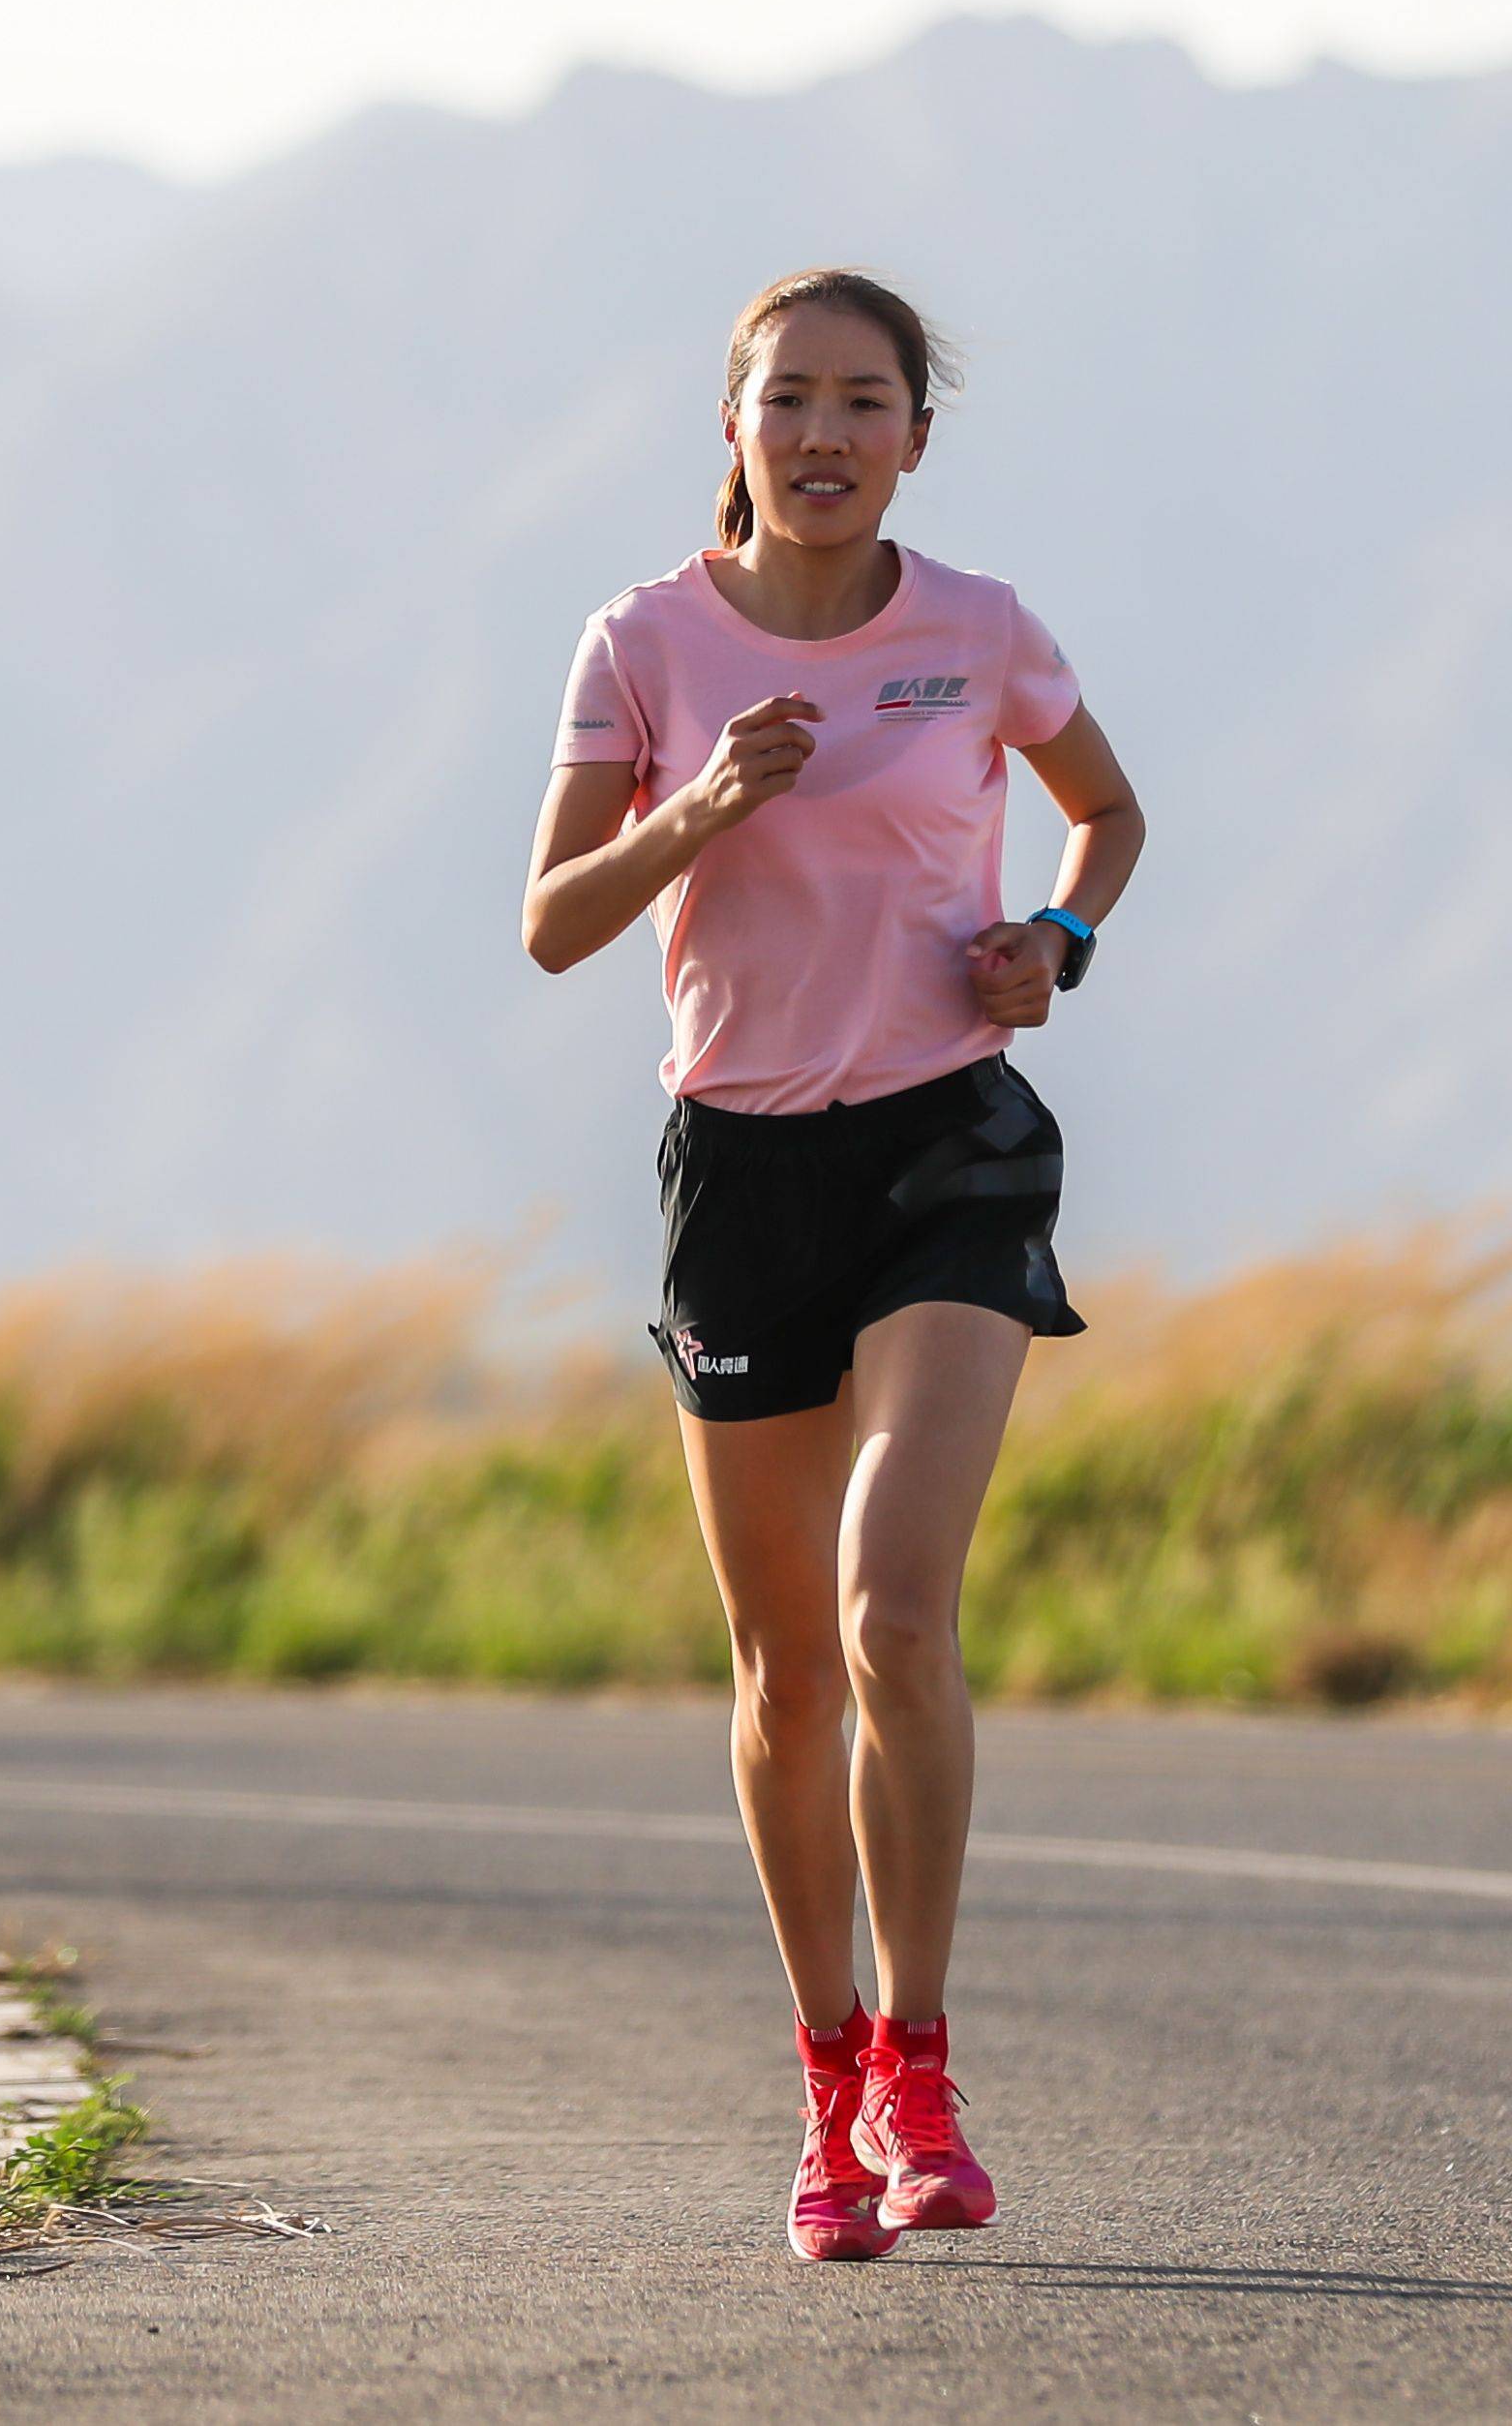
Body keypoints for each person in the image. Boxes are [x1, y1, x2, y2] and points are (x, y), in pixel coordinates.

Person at [521, 268, 1145, 2262]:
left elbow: (1107, 814)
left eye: (864, 400)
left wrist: (1055, 942)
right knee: (789, 1671)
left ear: (914, 441)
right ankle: (827, 2076)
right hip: (742, 1169)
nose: (823, 432)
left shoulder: (979, 629)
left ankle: (923, 2066)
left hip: (948, 1143)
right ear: (734, 426)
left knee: (892, 1608)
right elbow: (553, 920)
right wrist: (702, 806)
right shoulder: (645, 642)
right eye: (787, 396)